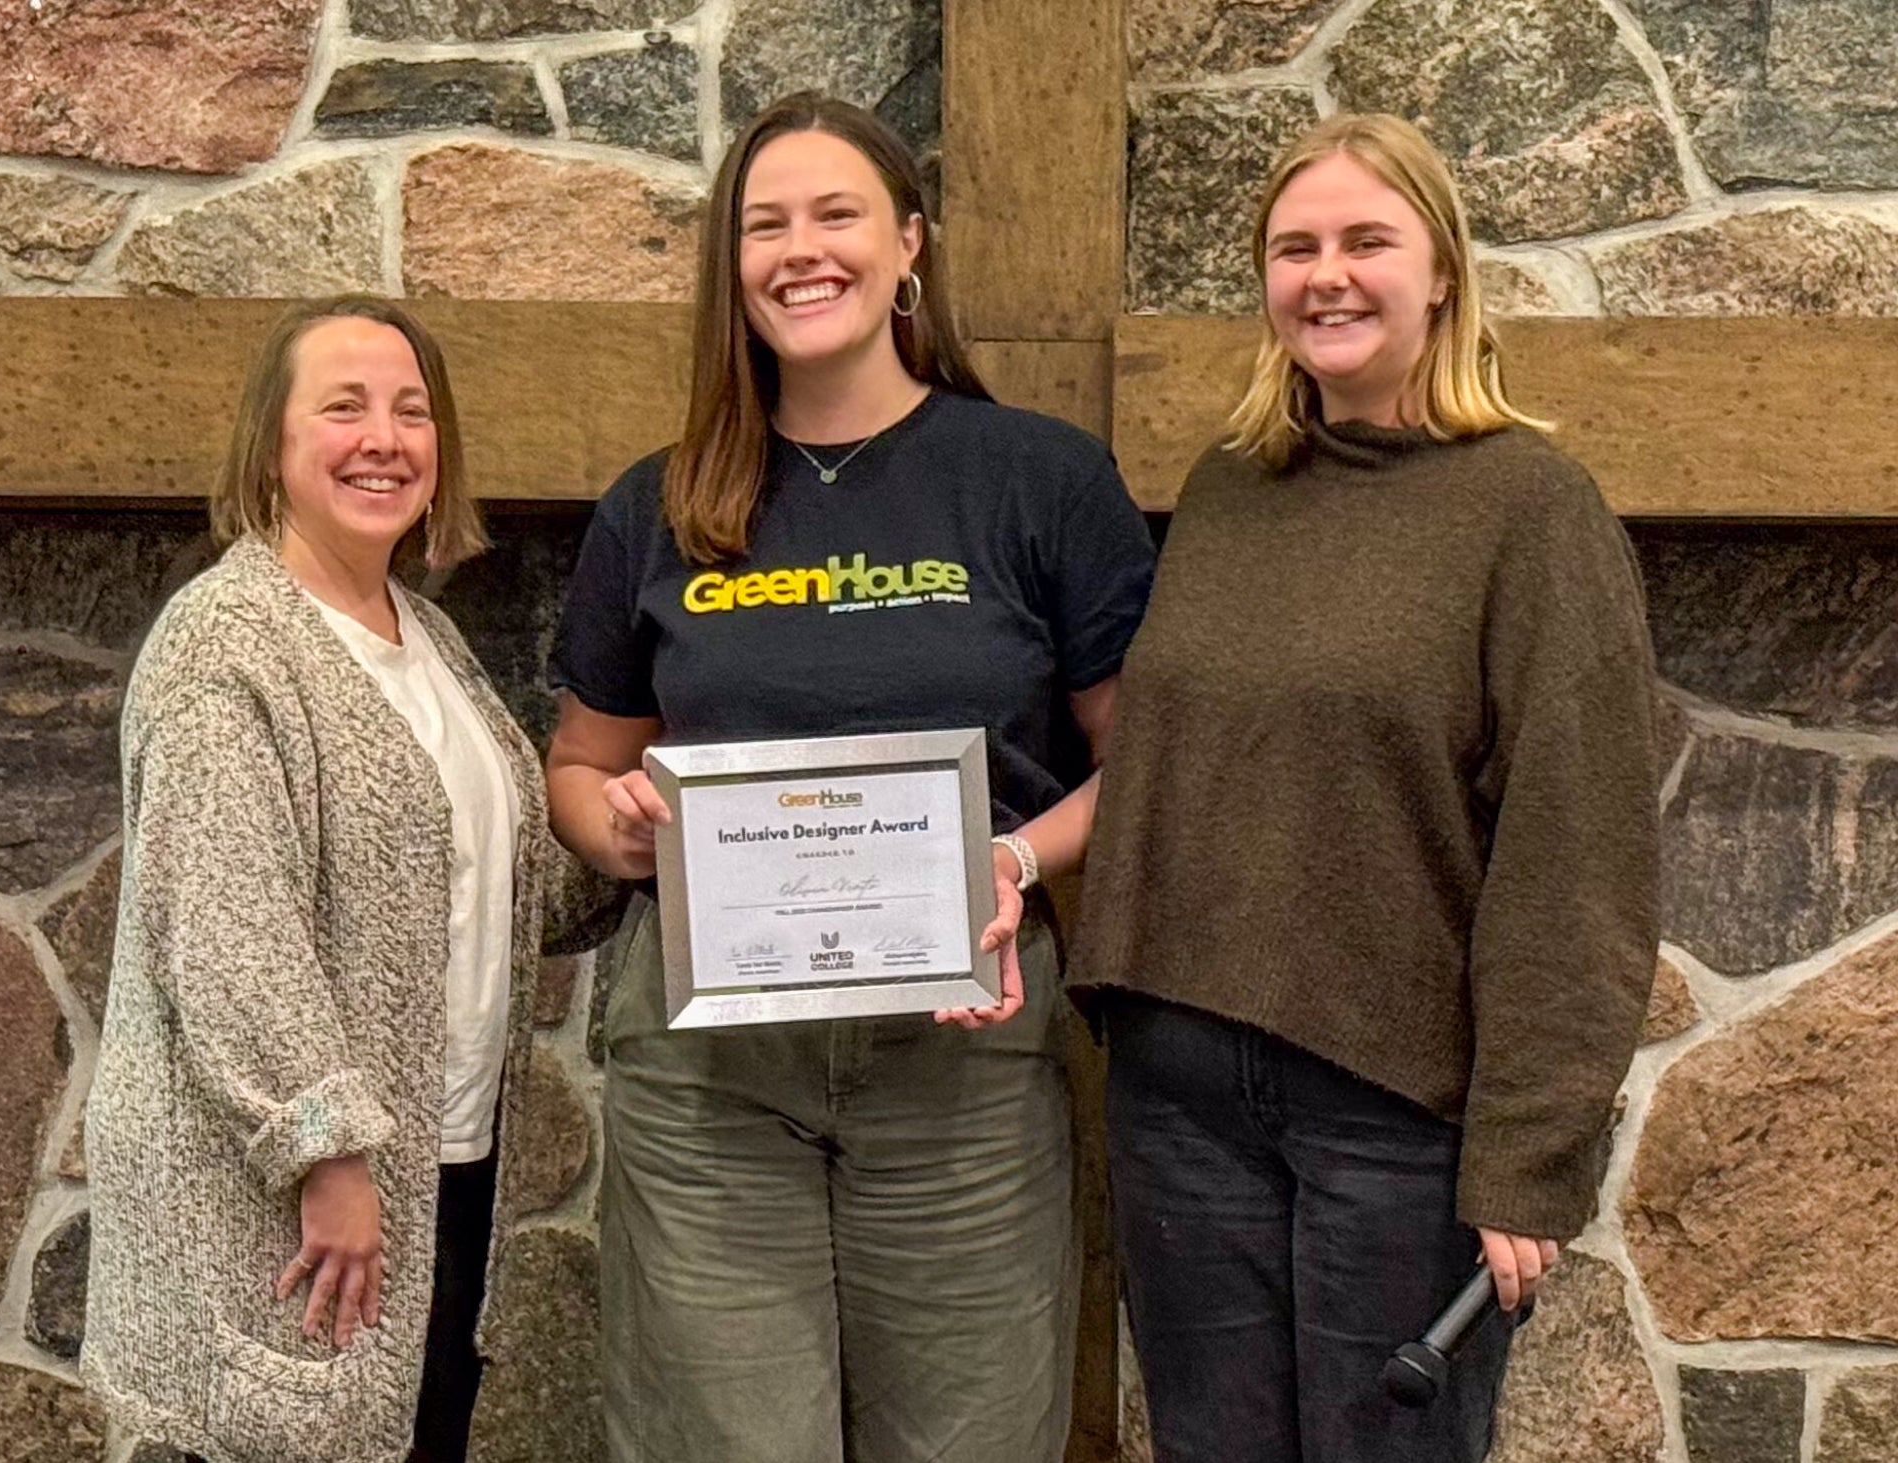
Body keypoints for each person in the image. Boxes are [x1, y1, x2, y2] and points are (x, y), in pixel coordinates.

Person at [544, 92, 1155, 1463]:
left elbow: (1147, 764)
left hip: (962, 1055)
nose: (800, 251)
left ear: (906, 246)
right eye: (766, 224)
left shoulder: (1043, 481)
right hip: (708, 1079)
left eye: (837, 215)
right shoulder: (656, 502)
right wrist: (622, 832)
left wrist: (1012, 857)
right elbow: (582, 768)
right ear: (732, 265)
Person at [1073, 114, 1660, 1463]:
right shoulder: (1232, 486)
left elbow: (1581, 854)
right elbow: (1170, 767)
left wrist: (1530, 1153)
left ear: (1441, 272)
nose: (1326, 275)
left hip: (1396, 1111)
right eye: (1295, 248)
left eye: (1365, 241)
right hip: (1181, 1093)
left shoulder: (1532, 509)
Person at [82, 295, 617, 1463]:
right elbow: (228, 932)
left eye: (412, 411)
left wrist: (623, 851)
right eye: (343, 407)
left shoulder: (425, 635)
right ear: (269, 444)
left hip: (444, 1157)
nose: (384, 438)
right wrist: (325, 1154)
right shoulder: (227, 643)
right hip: (285, 1191)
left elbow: (472, 884)